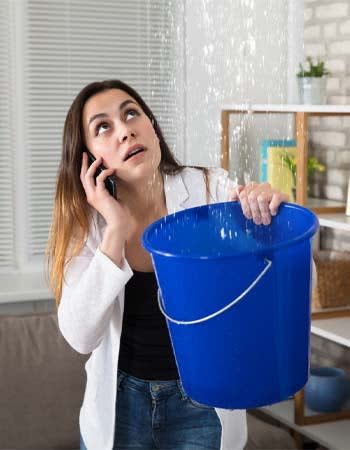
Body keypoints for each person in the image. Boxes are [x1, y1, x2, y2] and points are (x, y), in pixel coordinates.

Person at [47, 79, 288, 450]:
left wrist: (272, 218)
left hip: (203, 402)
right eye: (103, 127)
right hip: (120, 405)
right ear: (88, 160)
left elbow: (286, 280)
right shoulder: (87, 225)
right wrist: (116, 230)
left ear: (153, 130)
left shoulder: (211, 191)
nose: (125, 130)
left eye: (131, 114)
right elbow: (80, 337)